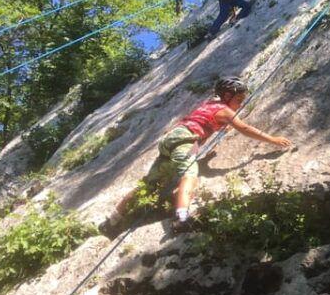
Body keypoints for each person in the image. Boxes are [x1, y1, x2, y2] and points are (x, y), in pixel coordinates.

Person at [100, 76, 292, 236]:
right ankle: (182, 218)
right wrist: (273, 140)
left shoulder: (210, 104)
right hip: (185, 140)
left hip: (172, 139)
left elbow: (201, 124)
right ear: (227, 95)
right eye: (239, 100)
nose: (240, 104)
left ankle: (111, 221)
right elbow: (245, 128)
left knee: (149, 184)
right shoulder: (224, 111)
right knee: (190, 176)